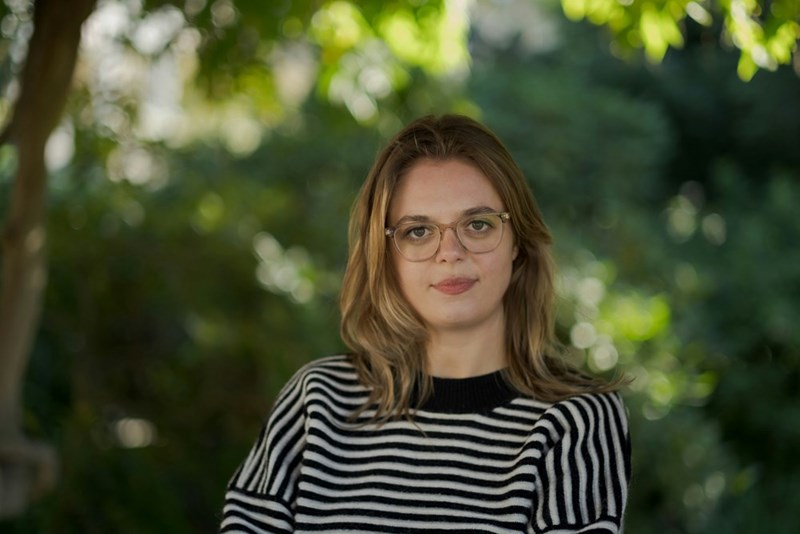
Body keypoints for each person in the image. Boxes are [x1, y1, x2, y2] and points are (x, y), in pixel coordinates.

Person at [220, 114, 631, 533]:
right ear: (387, 256)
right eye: (418, 231)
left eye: (478, 224)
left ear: (517, 244)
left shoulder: (576, 420)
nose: (450, 252)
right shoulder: (317, 402)